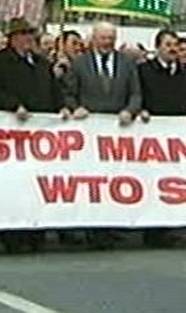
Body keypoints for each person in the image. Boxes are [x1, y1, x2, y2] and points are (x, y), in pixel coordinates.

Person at [0, 18, 68, 253]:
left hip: (40, 135)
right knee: (13, 185)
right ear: (14, 38)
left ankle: (35, 232)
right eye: (24, 34)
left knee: (37, 183)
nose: (30, 38)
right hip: (10, 134)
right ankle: (12, 236)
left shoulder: (41, 63)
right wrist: (12, 105)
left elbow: (54, 91)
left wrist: (61, 107)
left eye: (31, 34)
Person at [62, 21, 142, 249]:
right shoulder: (79, 63)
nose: (107, 43)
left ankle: (112, 226)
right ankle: (92, 229)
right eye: (103, 38)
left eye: (111, 39)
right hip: (89, 134)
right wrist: (75, 107)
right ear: (94, 39)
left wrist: (130, 111)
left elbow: (136, 93)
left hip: (118, 134)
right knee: (92, 181)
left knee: (115, 181)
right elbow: (68, 93)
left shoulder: (127, 63)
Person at [138, 29, 186, 247]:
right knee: (153, 182)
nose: (173, 49)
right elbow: (138, 95)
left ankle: (176, 226)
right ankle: (153, 231)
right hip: (152, 136)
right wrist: (141, 111)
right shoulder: (144, 71)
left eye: (175, 44)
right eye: (168, 45)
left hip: (179, 138)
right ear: (157, 47)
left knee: (176, 182)